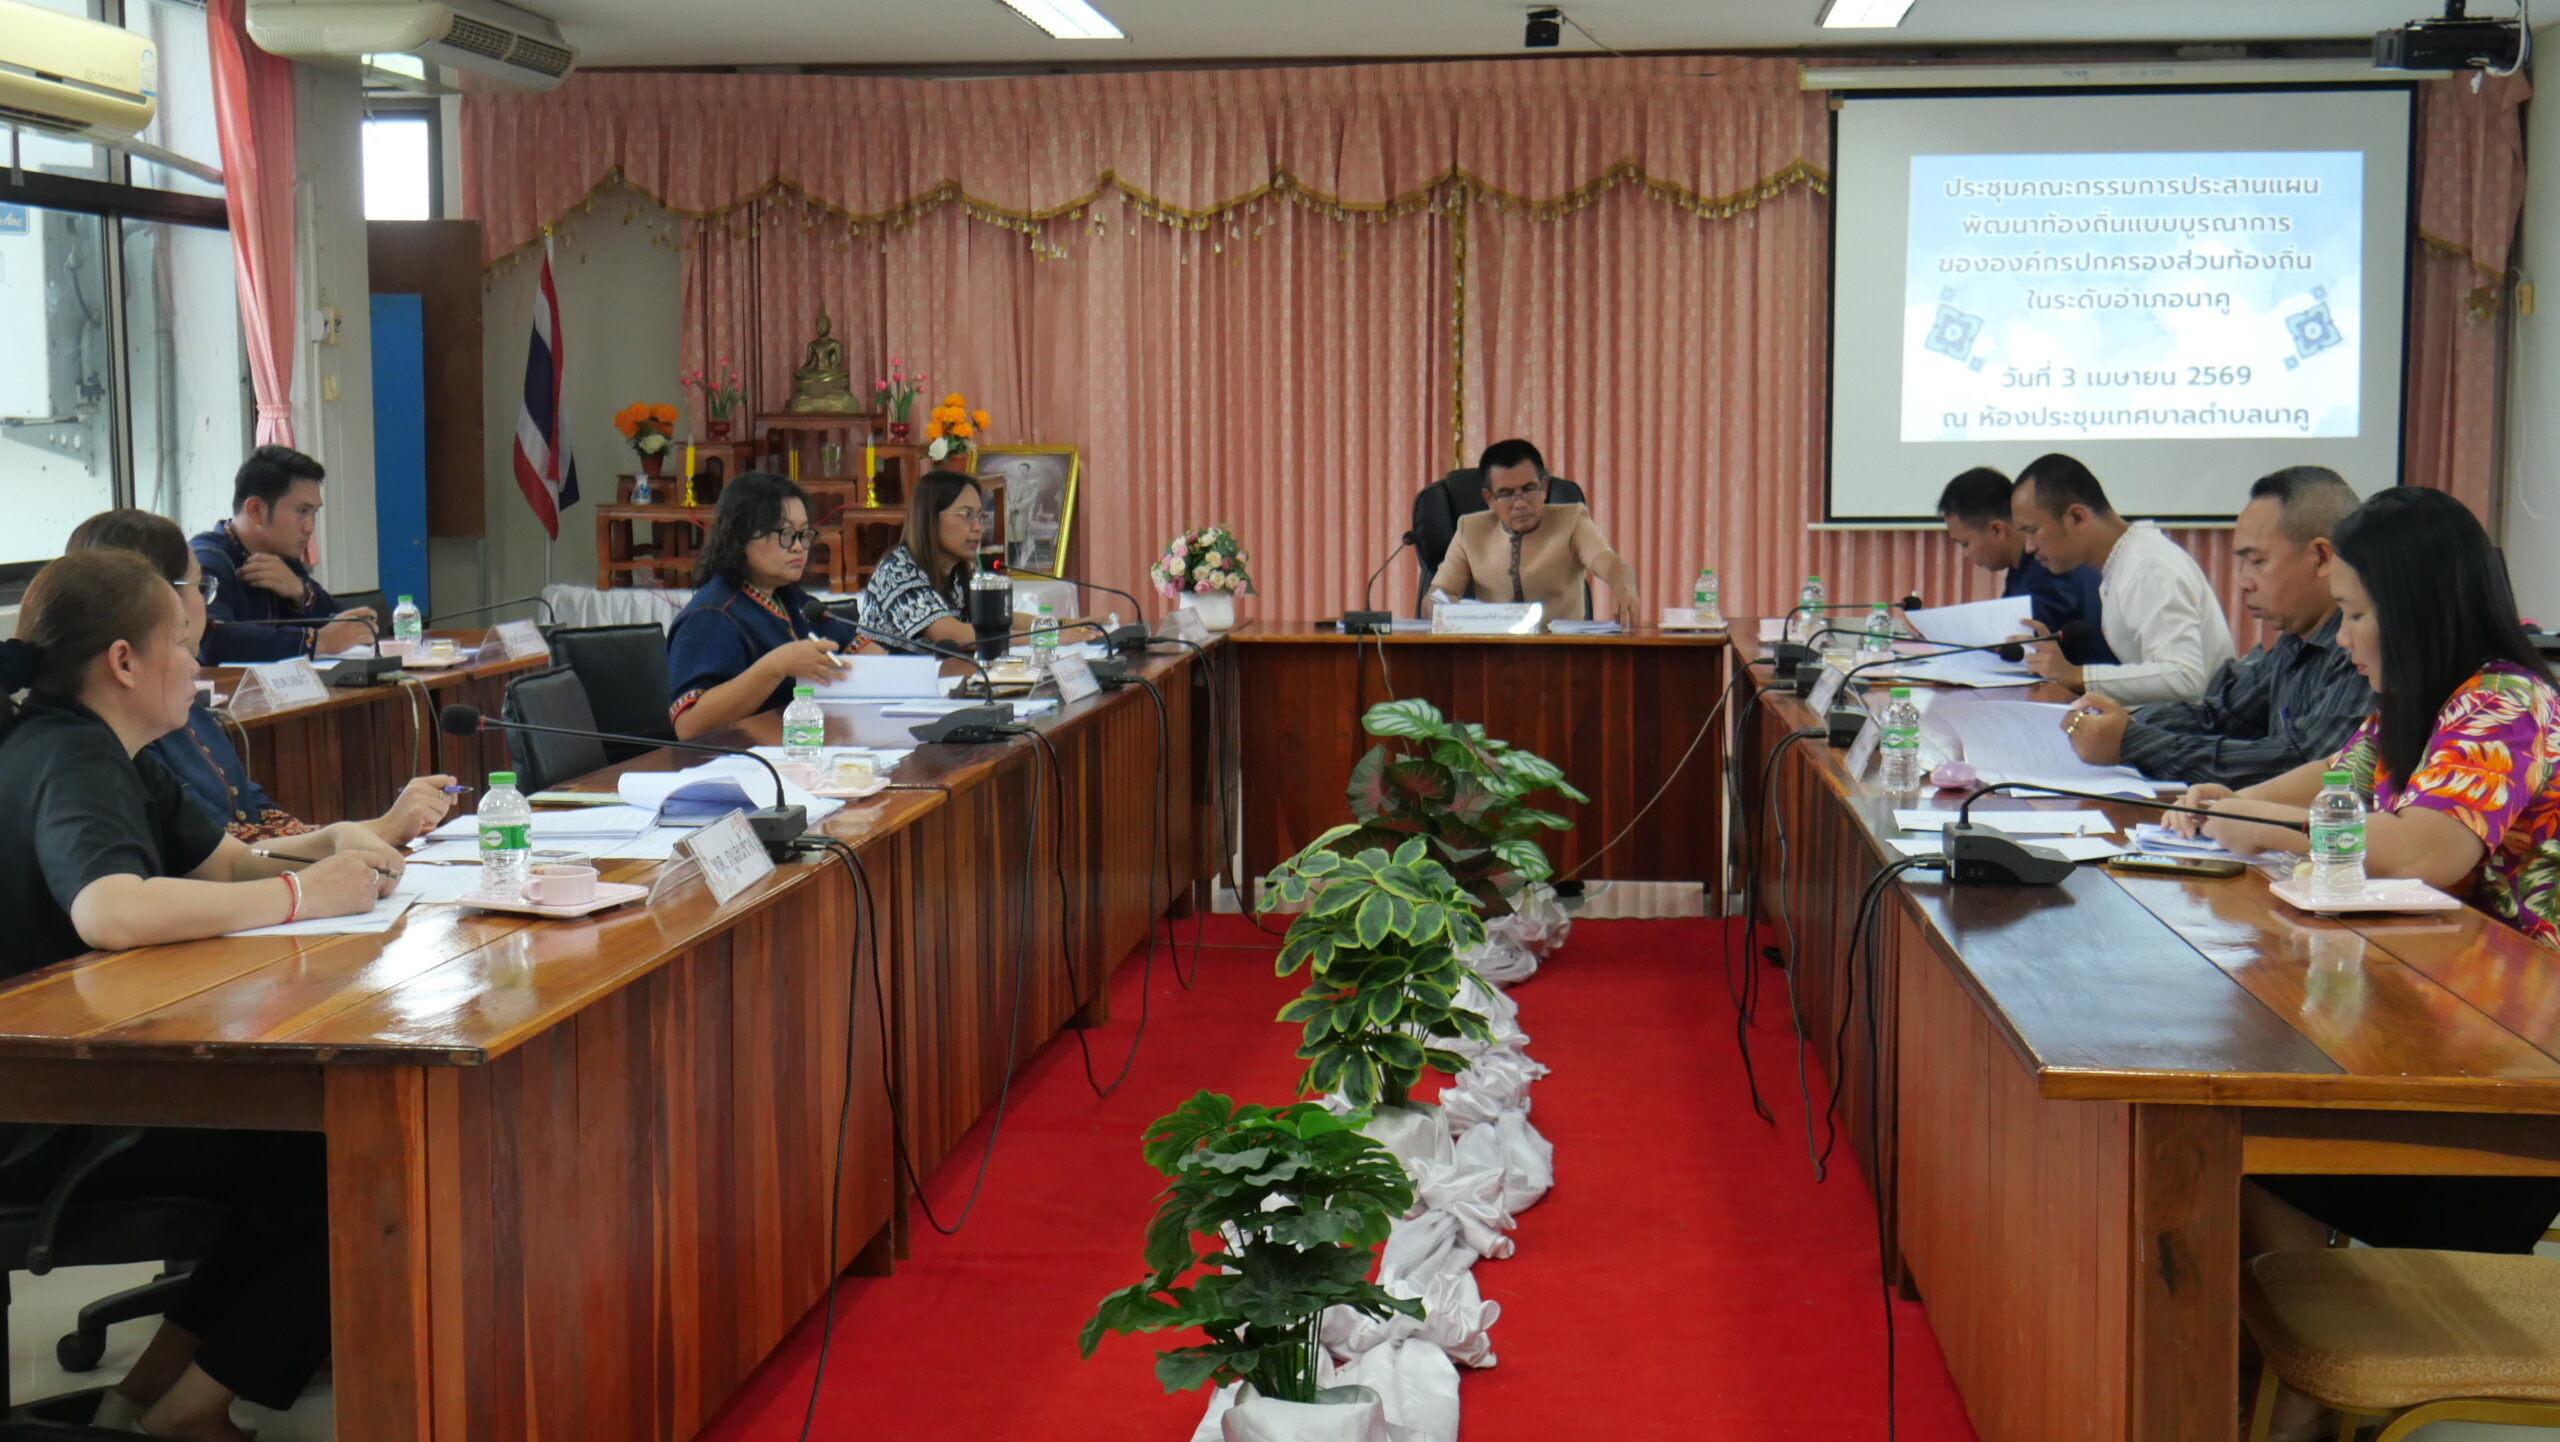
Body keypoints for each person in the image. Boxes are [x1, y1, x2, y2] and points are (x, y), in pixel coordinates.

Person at [2172, 485, 2560, 1439]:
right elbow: (2335, 782)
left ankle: (2298, 1388)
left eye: (2353, 614)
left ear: (2414, 607)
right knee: (2241, 1130)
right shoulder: (2422, 699)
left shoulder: (2505, 701)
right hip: (2438, 1037)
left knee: (2237, 1151)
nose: (2343, 639)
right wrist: (2228, 799)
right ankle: (2286, 1372)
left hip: (2509, 1096)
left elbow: (2429, 847)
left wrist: (2263, 821)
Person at [0, 548, 397, 1441]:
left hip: (94, 1081)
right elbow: (110, 909)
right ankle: (192, 1412)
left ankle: (145, 1399)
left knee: (305, 1162)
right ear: (124, 661)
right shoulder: (68, 755)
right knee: (359, 1172)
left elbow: (226, 863)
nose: (197, 660)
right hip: (43, 1120)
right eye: (181, 641)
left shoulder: (113, 748)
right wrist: (301, 897)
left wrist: (339, 847)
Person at [69, 509, 457, 843]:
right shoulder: (122, 734)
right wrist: (379, 830)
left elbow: (258, 814)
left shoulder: (178, 701)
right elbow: (223, 853)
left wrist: (372, 832)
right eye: (201, 588)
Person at [2058, 467, 2372, 787]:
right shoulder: (2295, 640)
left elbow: (2300, 767)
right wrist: (2117, 724)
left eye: (2257, 561)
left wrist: (2131, 740)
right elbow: (2220, 717)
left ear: (2321, 558)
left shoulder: (2363, 649)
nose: (2243, 581)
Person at [2006, 453, 2233, 704]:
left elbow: (2184, 677)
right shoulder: (2126, 561)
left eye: (2032, 531)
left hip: (2200, 725)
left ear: (2076, 517)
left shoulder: (2147, 566)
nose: (2029, 547)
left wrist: (2076, 675)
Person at [666, 471, 869, 739]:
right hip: (741, 758)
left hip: (798, 745)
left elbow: (861, 652)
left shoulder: (789, 598)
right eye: (785, 533)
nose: (798, 547)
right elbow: (689, 725)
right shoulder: (710, 615)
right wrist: (775, 666)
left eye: (804, 534)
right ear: (741, 536)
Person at [191, 446, 377, 663]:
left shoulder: (283, 558)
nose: (309, 527)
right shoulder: (205, 560)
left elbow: (349, 626)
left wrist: (301, 592)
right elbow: (211, 640)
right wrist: (317, 642)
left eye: (314, 513)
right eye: (301, 511)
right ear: (256, 510)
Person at [1426, 439, 1639, 627]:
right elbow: (1436, 594)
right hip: (1492, 649)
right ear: (1489, 499)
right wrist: (1441, 604)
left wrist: (1623, 587)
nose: (1520, 503)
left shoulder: (1572, 520)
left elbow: (1609, 563)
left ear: (1543, 486)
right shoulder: (1470, 529)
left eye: (1528, 489)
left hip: (1561, 649)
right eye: (1506, 493)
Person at [1933, 465, 2114, 667]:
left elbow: (2018, 642)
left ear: (1997, 530)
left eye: (1965, 544)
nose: (1965, 555)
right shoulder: (2021, 567)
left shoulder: (2049, 564)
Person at [858, 468, 995, 655]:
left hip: (941, 672)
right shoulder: (898, 569)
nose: (978, 527)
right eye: (966, 515)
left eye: (980, 516)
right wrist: (1032, 637)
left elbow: (997, 617)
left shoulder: (959, 569)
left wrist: (1038, 624)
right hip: (887, 673)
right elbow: (952, 635)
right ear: (930, 517)